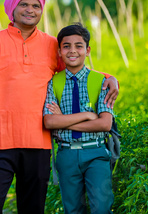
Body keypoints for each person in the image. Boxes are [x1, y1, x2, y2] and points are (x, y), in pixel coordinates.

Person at [0, 0, 118, 214]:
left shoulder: (51, 45)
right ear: (12, 7)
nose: (30, 9)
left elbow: (74, 67)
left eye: (36, 5)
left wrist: (109, 77)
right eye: (24, 4)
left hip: (38, 142)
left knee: (33, 207)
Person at [44, 23, 114, 213]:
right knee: (73, 209)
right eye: (66, 46)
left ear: (87, 50)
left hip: (96, 153)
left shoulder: (101, 81)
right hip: (66, 155)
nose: (72, 51)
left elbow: (105, 124)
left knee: (101, 208)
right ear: (59, 51)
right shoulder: (53, 83)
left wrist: (64, 121)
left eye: (78, 45)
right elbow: (49, 122)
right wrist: (86, 116)